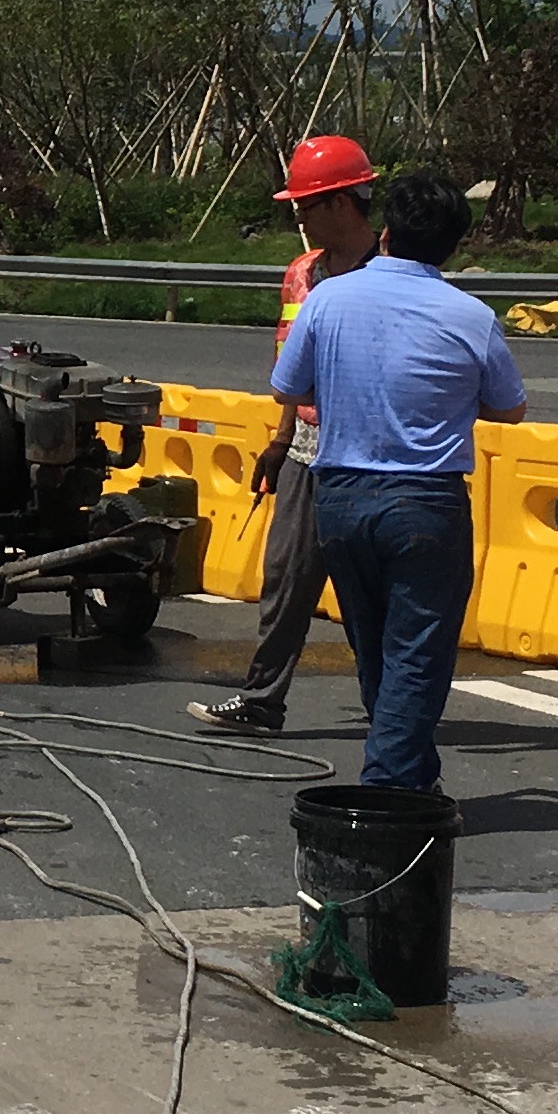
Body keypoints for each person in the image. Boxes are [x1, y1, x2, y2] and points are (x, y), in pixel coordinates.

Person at [270, 171, 522, 796]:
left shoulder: (328, 299)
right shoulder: (471, 315)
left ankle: (413, 778)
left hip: (341, 496)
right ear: (452, 249)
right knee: (417, 652)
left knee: (375, 645)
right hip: (426, 501)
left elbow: (288, 386)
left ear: (386, 233)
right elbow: (509, 407)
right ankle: (389, 792)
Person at [190, 134, 380, 737]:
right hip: (304, 447)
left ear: (342, 202)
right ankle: (262, 700)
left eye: (305, 205)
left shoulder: (393, 269)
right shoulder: (300, 275)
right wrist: (279, 439)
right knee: (287, 576)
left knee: (365, 591)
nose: (298, 218)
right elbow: (289, 368)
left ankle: (388, 709)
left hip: (366, 454)